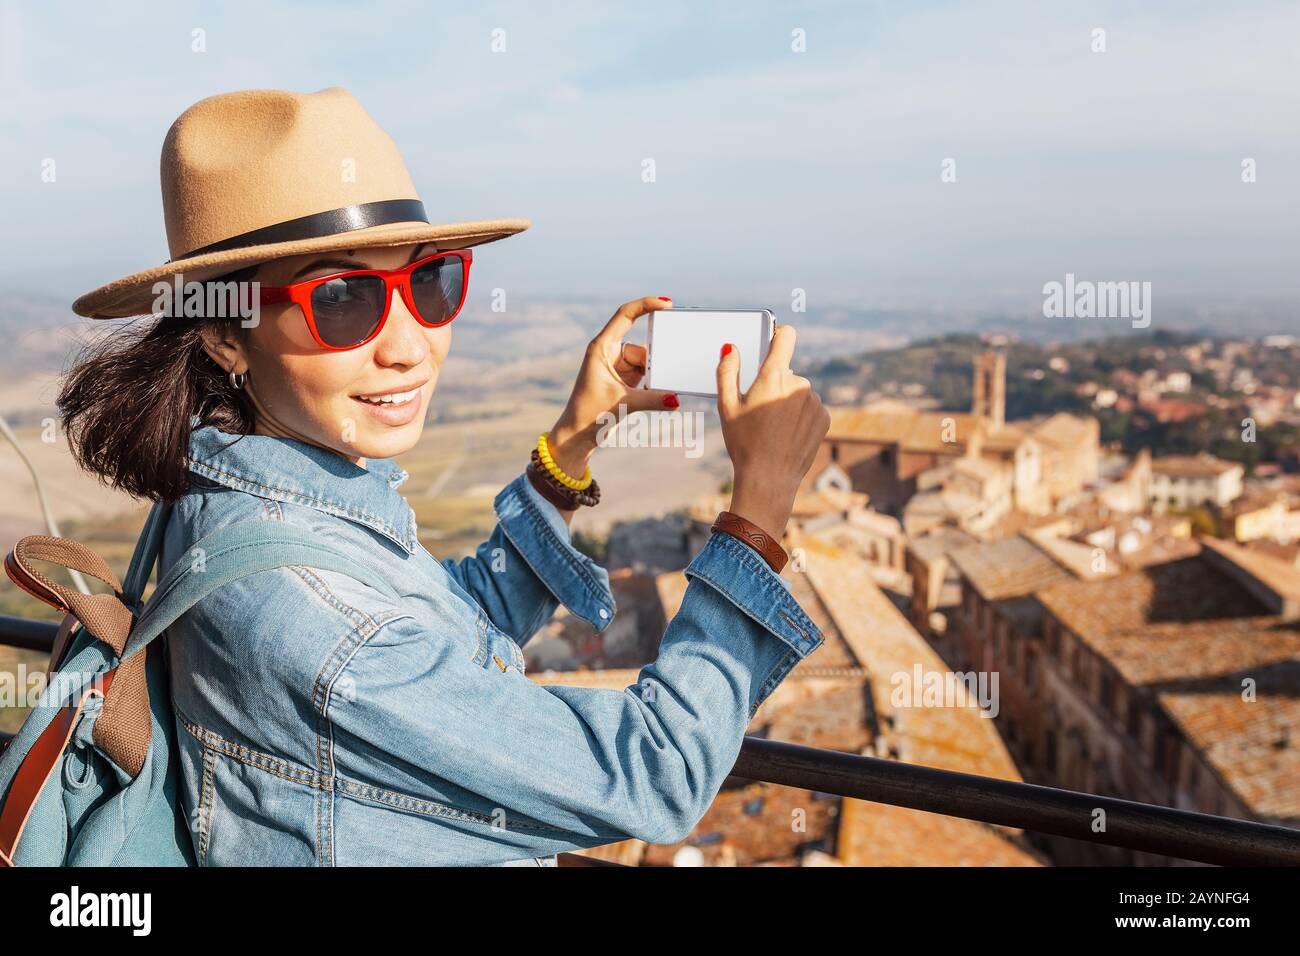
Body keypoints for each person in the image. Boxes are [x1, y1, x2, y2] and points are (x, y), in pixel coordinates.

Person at [59, 87, 830, 865]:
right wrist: (758, 510)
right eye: (343, 298)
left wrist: (570, 447)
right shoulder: (316, 620)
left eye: (429, 283)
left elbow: (452, 630)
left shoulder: (241, 499)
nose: (409, 346)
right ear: (226, 335)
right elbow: (653, 774)